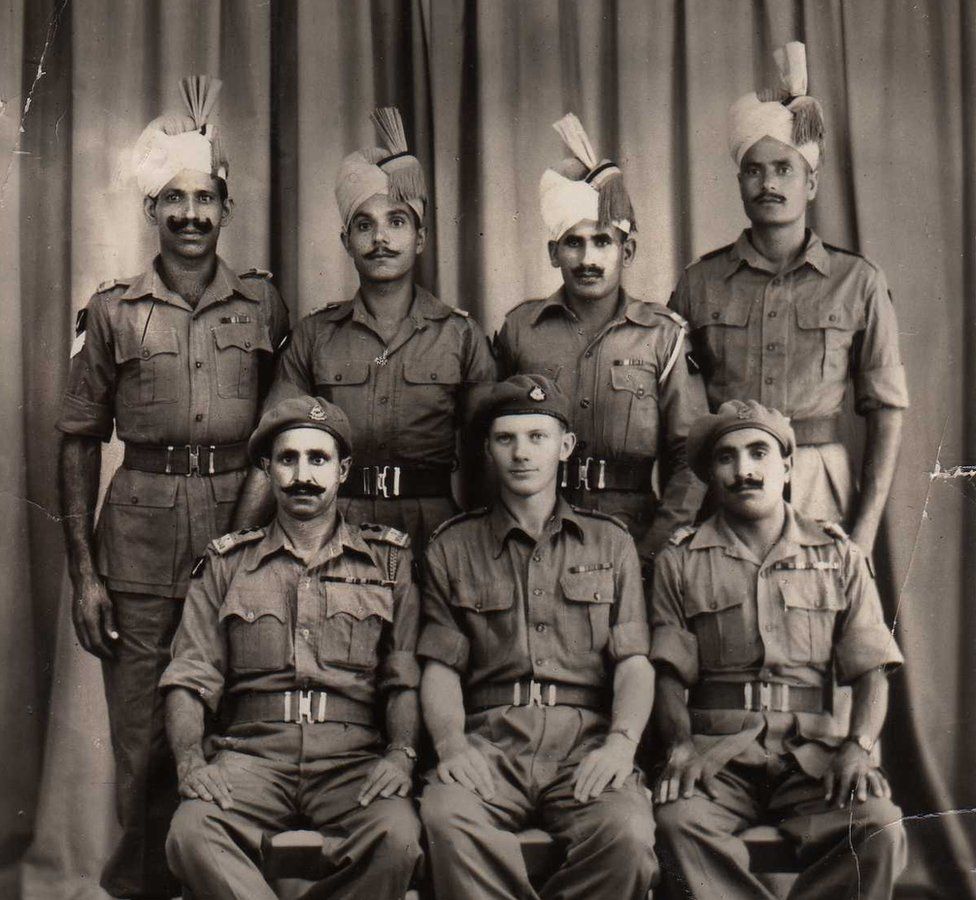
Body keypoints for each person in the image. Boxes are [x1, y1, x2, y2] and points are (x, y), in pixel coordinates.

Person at [55, 75, 289, 899]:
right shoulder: (114, 311)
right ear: (151, 209)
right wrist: (85, 574)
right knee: (146, 736)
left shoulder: (262, 301)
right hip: (142, 548)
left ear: (226, 207)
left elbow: (282, 425)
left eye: (206, 199)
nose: (191, 215)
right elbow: (79, 439)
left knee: (244, 720)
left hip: (242, 531)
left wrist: (252, 536)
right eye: (173, 199)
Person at [162, 395, 423, 899]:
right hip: (253, 753)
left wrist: (401, 754)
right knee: (191, 834)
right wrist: (190, 760)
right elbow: (189, 677)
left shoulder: (388, 562)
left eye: (318, 459)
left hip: (351, 756)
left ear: (343, 470)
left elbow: (403, 675)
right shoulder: (226, 564)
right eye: (288, 459)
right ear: (267, 468)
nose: (303, 474)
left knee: (399, 839)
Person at [650, 398, 906, 899]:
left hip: (813, 758)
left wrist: (858, 747)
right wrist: (679, 746)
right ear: (710, 474)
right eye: (726, 458)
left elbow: (873, 668)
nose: (744, 470)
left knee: (878, 825)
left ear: (787, 465)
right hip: (717, 757)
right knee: (675, 823)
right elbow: (667, 675)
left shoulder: (838, 556)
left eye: (758, 453)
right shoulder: (679, 561)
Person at [418, 374, 658, 900]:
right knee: (446, 816)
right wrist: (452, 744)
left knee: (628, 834)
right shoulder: (452, 547)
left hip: (584, 743)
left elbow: (634, 662)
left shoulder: (611, 542)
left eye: (537, 437)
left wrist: (621, 745)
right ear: (487, 449)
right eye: (506, 439)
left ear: (565, 446)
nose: (521, 454)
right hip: (491, 739)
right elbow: (439, 666)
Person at [669, 42, 908, 551]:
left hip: (820, 486)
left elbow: (887, 412)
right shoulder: (698, 283)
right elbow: (676, 415)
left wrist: (863, 534)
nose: (769, 183)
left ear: (812, 181)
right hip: (726, 486)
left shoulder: (858, 281)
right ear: (739, 182)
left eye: (784, 169)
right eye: (755, 170)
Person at [233, 106, 496, 546]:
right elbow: (273, 443)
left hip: (433, 536)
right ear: (345, 241)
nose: (380, 239)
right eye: (363, 225)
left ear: (421, 237)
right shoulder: (314, 336)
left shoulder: (461, 337)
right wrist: (235, 546)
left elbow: (492, 457)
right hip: (334, 532)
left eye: (396, 222)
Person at [495, 114, 707, 570]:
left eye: (603, 242)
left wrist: (655, 551)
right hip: (533, 535)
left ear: (626, 251)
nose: (588, 259)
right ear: (554, 252)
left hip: (633, 538)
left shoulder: (662, 336)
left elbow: (690, 460)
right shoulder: (520, 330)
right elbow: (489, 447)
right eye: (573, 243)